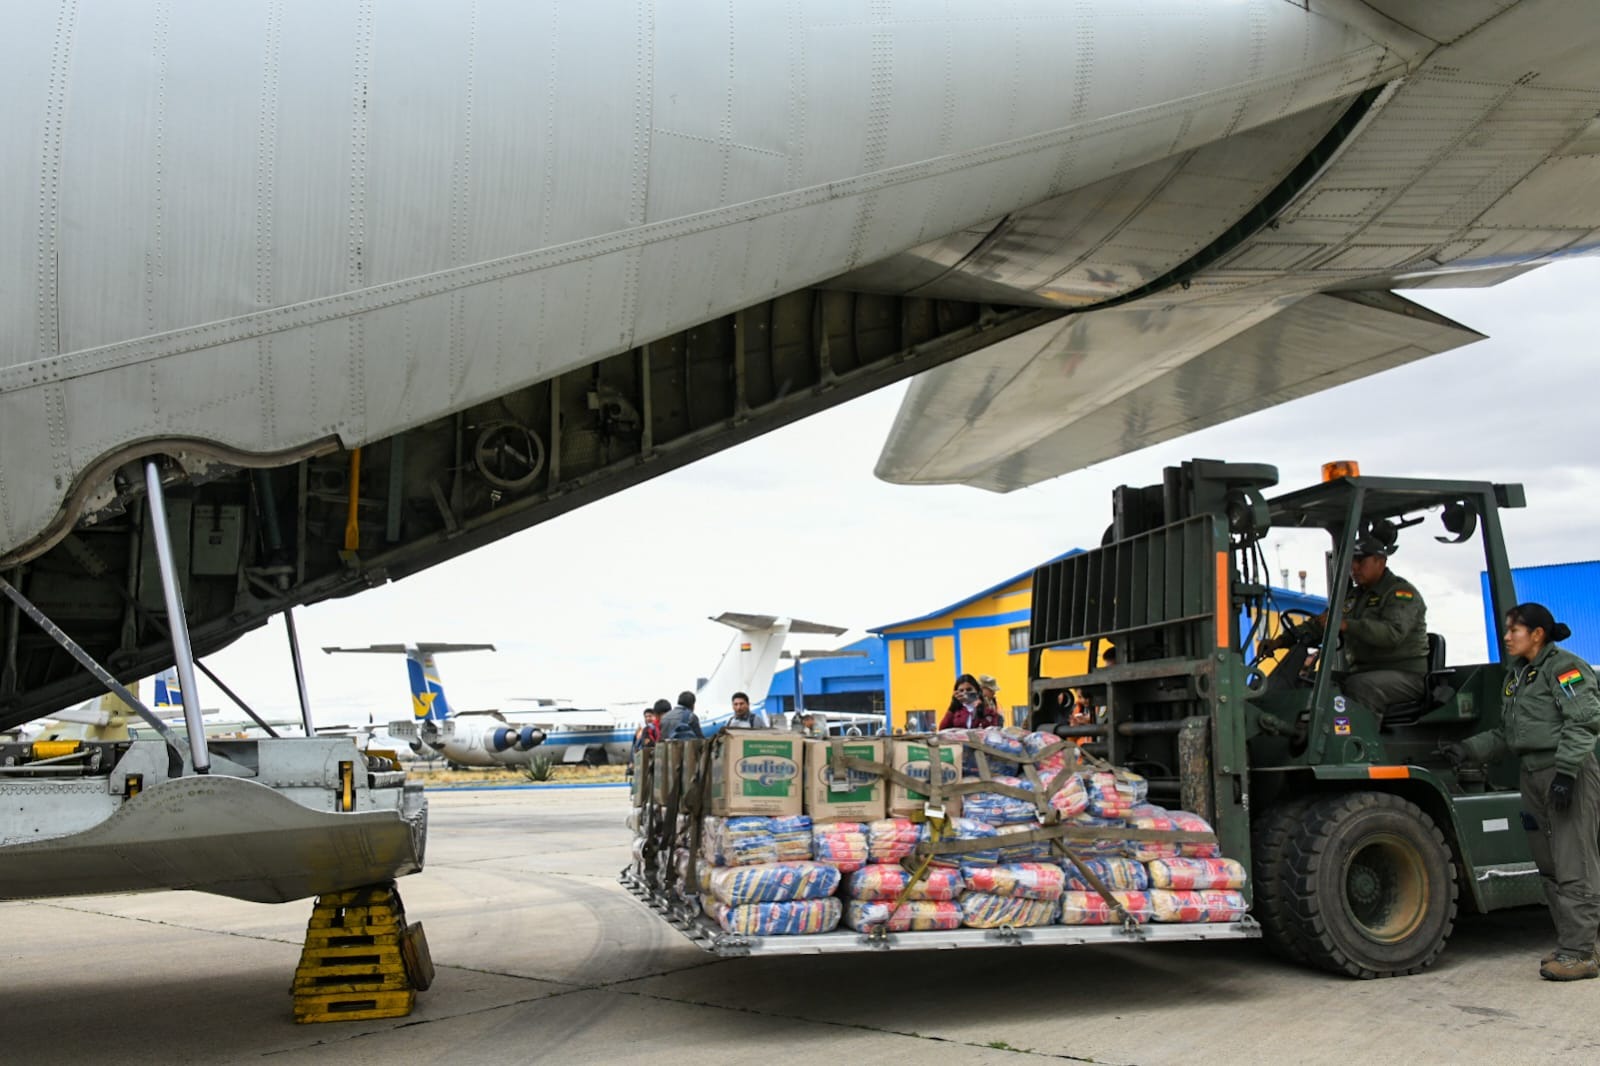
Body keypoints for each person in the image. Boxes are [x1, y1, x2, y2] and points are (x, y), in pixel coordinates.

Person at [1442, 603, 1600, 981]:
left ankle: (1581, 954)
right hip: (1531, 774)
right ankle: (1573, 943)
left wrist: (1565, 773)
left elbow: (1585, 720)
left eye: (1515, 630)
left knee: (1573, 861)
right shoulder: (1520, 676)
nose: (1508, 636)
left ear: (1537, 634)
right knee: (1548, 864)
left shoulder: (1564, 668)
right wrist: (1469, 749)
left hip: (1566, 772)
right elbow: (1508, 735)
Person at [1264, 532, 1427, 715]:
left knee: (1360, 687)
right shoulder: (1352, 597)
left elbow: (1392, 634)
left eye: (1360, 561)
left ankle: (1363, 742)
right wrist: (1280, 641)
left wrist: (1347, 625)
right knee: (1312, 681)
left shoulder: (1400, 594)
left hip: (1405, 675)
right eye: (1351, 562)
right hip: (1363, 672)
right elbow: (1319, 625)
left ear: (1380, 562)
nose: (1354, 568)